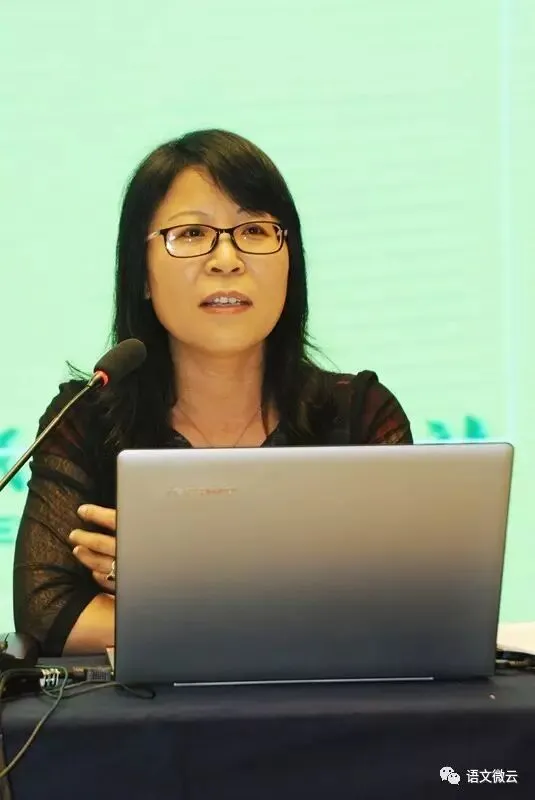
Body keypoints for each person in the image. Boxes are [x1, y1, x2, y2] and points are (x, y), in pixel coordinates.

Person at [12, 129, 413, 656]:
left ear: (290, 264)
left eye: (254, 230)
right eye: (192, 234)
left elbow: (402, 606)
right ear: (142, 275)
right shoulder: (87, 417)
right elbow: (47, 614)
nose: (226, 259)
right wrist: (282, 609)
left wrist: (176, 586)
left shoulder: (360, 417)